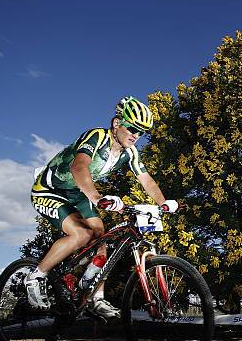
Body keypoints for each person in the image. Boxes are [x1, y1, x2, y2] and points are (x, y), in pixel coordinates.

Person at [25, 96, 178, 319]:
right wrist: (97, 198)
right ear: (117, 123)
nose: (135, 135)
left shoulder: (130, 152)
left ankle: (95, 298)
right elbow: (79, 168)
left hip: (77, 193)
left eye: (141, 132)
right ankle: (36, 276)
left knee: (101, 238)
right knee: (82, 234)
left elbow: (147, 180)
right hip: (49, 189)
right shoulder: (97, 136)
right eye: (132, 128)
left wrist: (163, 204)